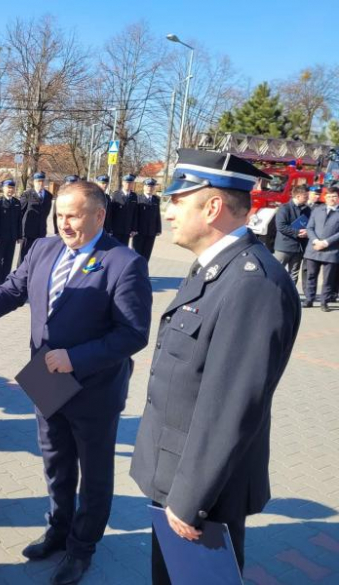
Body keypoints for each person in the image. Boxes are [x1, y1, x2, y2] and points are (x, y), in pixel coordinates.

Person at [0, 181, 152, 585]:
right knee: (55, 462)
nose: (64, 224)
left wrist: (75, 358)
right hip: (45, 380)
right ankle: (58, 530)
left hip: (94, 388)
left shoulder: (124, 262)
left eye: (73, 216)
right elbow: (12, 290)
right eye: (59, 215)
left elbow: (133, 334)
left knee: (94, 473)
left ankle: (82, 548)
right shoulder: (42, 249)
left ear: (99, 215)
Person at [130, 149, 301, 584]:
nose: (168, 212)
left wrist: (190, 499)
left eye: (177, 201)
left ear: (212, 208)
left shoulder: (252, 284)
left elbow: (231, 407)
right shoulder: (217, 268)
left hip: (203, 491)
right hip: (180, 473)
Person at [303, 185, 339, 311]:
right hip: (314, 248)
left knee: (328, 279)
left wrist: (326, 242)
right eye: (329, 196)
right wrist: (315, 240)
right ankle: (309, 299)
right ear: (325, 197)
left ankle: (324, 302)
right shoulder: (317, 210)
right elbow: (309, 227)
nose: (331, 199)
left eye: (334, 196)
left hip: (331, 250)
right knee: (311, 276)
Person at [273, 184, 310, 287]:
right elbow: (281, 226)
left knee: (293, 274)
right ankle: (274, 292)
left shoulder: (307, 210)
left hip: (298, 248)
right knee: (277, 271)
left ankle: (290, 294)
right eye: (305, 196)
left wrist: (307, 232)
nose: (307, 199)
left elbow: (310, 224)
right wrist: (297, 233)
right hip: (284, 247)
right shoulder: (284, 208)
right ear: (298, 196)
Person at [0, 179, 22, 285]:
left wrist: (19, 236)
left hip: (12, 237)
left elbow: (19, 221)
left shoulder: (17, 203)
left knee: (9, 259)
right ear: (3, 188)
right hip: (0, 237)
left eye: (12, 188)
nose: (10, 190)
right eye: (8, 188)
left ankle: (5, 279)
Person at [19, 171, 54, 264]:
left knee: (37, 256)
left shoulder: (48, 196)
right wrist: (20, 231)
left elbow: (46, 212)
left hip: (41, 231)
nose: (40, 183)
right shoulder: (27, 195)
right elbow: (20, 213)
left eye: (42, 181)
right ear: (34, 182)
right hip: (28, 231)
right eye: (38, 181)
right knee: (24, 256)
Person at [132, 178, 162, 261]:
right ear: (144, 187)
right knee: (136, 254)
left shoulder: (156, 200)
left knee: (147, 254)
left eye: (152, 187)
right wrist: (134, 229)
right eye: (148, 186)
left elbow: (157, 215)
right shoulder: (138, 198)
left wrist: (158, 229)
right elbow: (135, 215)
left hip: (151, 232)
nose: (150, 188)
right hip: (139, 231)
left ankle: (144, 269)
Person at [109, 173, 138, 246]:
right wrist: (110, 228)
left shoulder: (134, 196)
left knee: (124, 248)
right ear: (123, 183)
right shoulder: (116, 194)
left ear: (132, 184)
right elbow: (111, 213)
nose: (128, 184)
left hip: (127, 229)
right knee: (115, 248)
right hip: (116, 229)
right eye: (126, 182)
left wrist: (134, 229)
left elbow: (135, 213)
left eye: (130, 183)